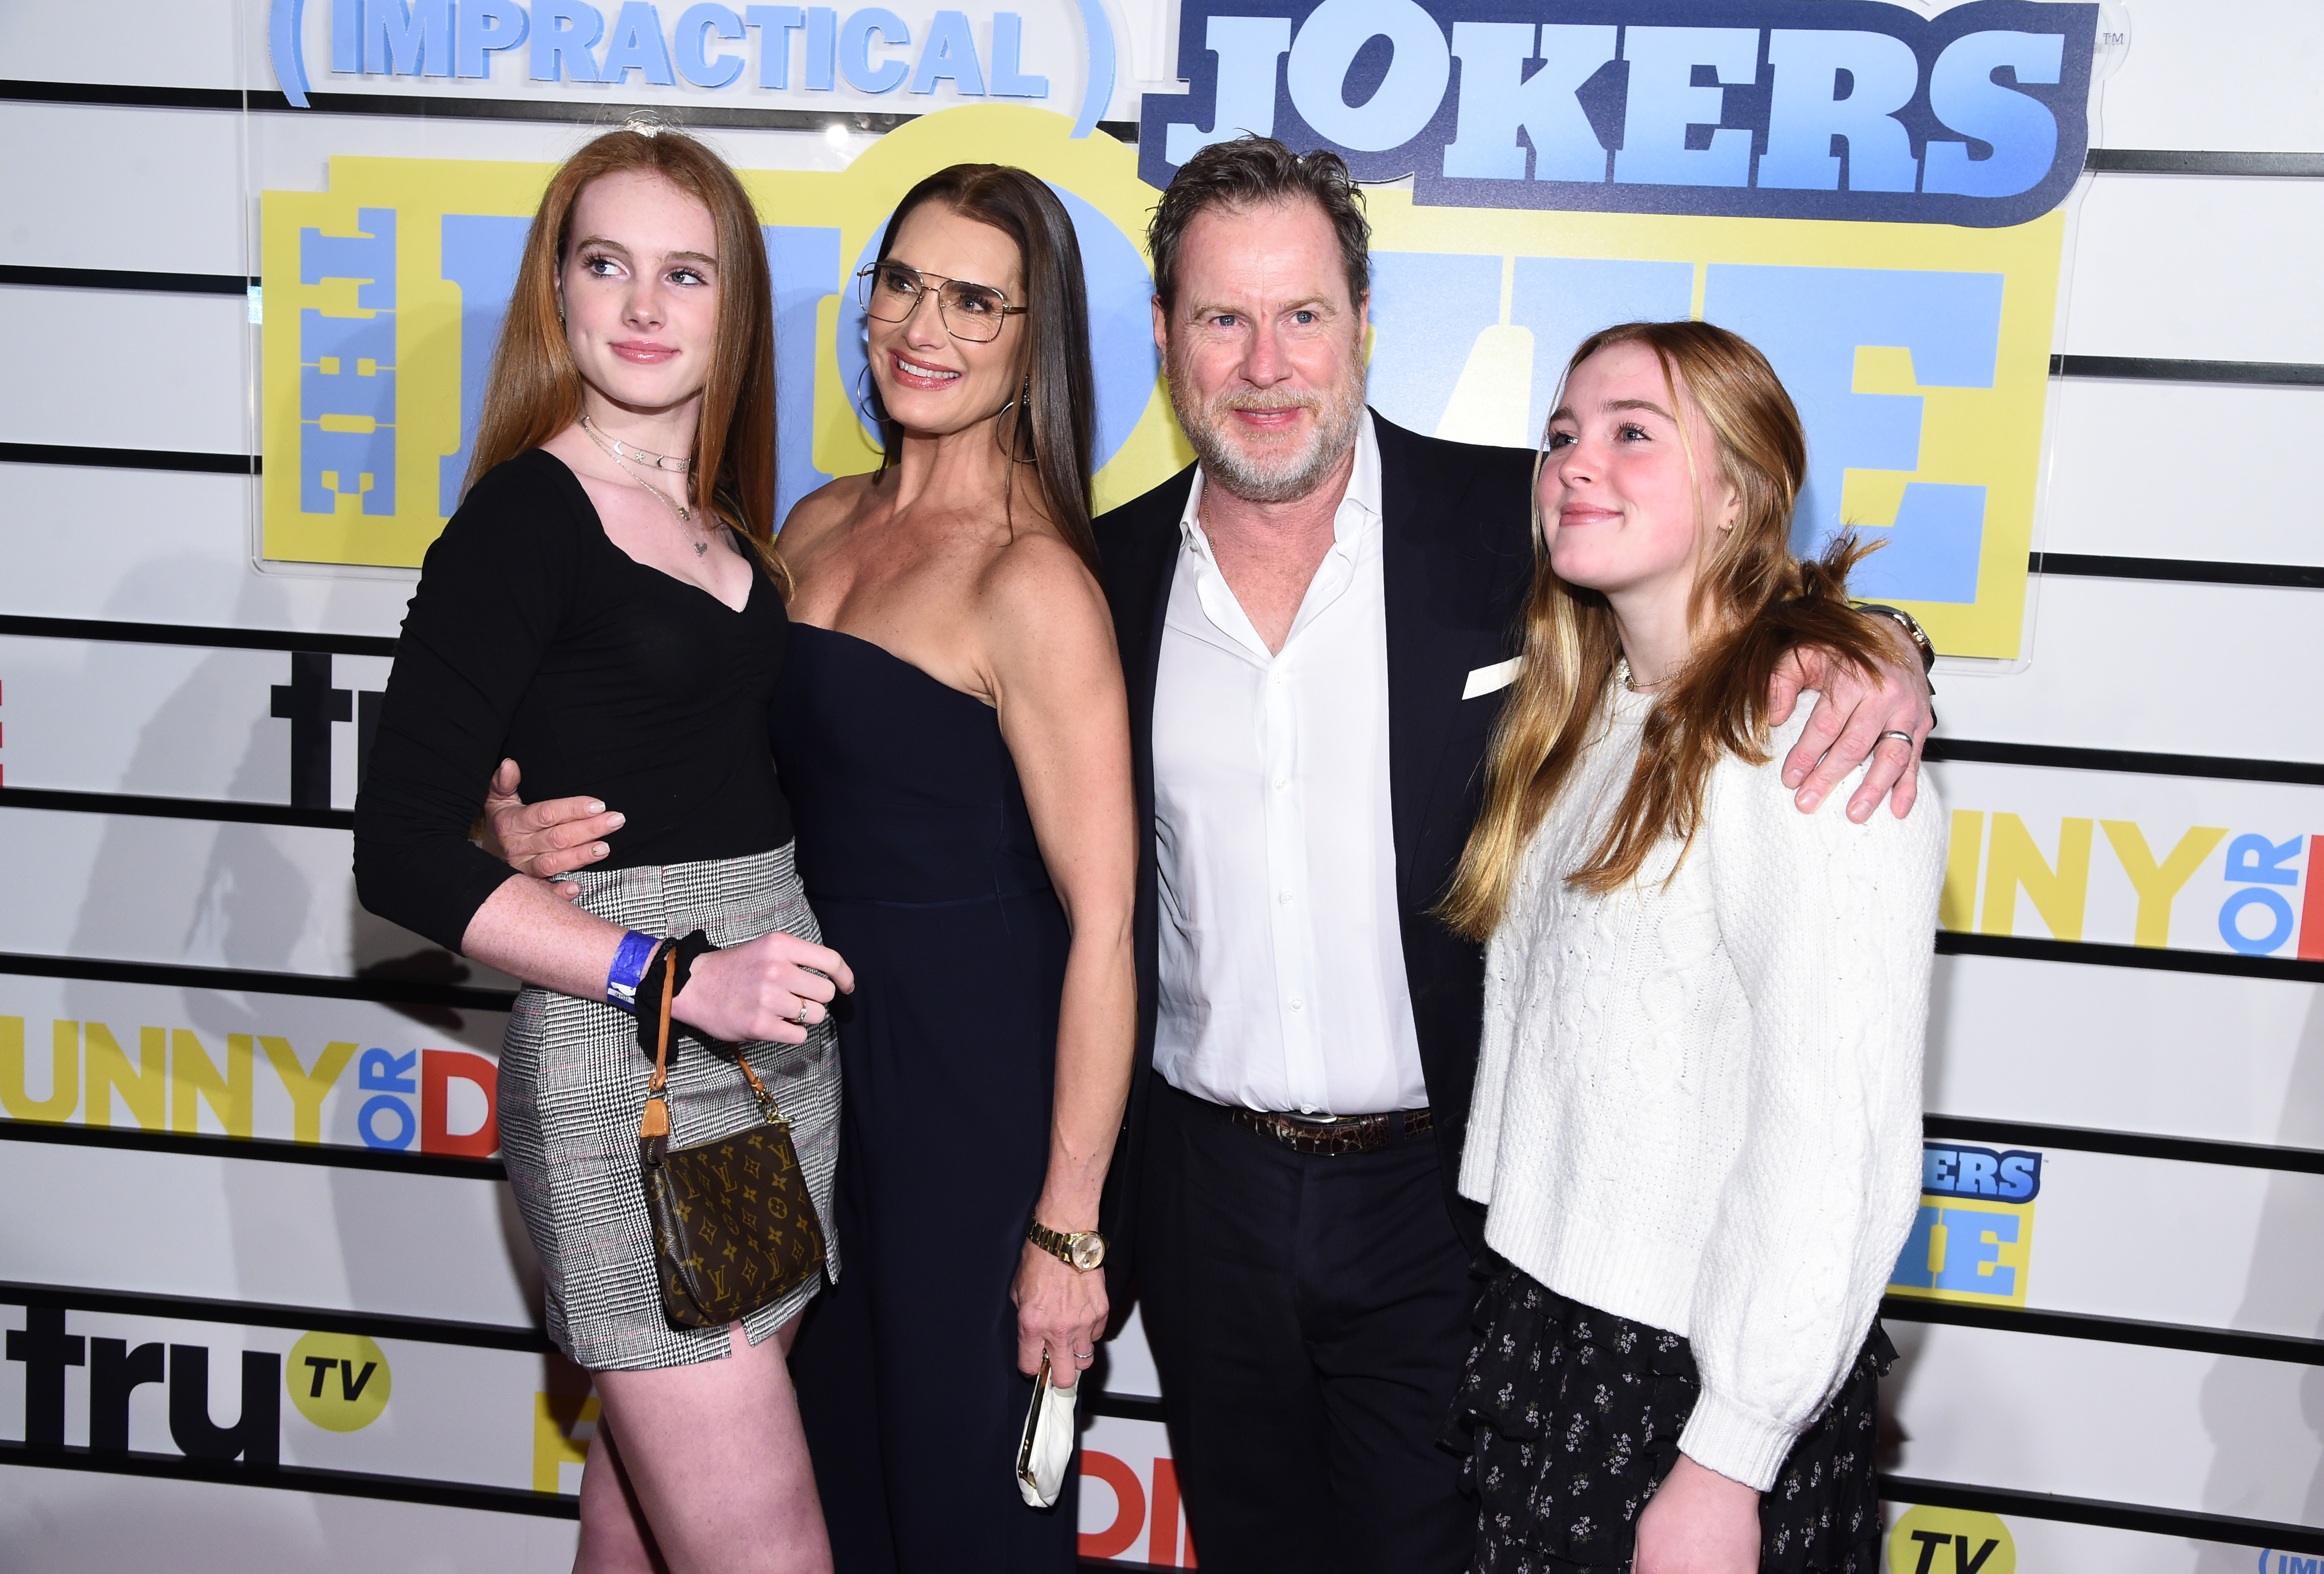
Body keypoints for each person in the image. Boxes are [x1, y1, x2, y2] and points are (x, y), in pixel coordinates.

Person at [1087, 137, 1941, 1574]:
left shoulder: (1520, 527)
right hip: (1204, 1198)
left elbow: (1732, 612)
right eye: (1219, 318)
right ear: (1167, 339)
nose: (1263, 361)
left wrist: (1875, 656)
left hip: (1442, 1218)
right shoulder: (1096, 578)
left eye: (1300, 314)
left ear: (1363, 325)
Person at [485, 164, 1137, 1574]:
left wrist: (1070, 1225)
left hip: (968, 1096)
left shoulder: (1035, 583)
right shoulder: (813, 522)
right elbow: (691, 771)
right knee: (788, 1476)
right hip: (773, 1062)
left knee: (956, 1504)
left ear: (1037, 339)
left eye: (976, 299)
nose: (925, 325)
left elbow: (1105, 932)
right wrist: (509, 830)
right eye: (902, 283)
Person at [352, 127, 849, 1574]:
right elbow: (396, 854)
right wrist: (678, 976)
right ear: (557, 294)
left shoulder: (729, 532)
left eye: (684, 272)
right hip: (628, 1068)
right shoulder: (523, 518)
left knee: (642, 1520)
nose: (642, 305)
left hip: (771, 1066)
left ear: (733, 304)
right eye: (605, 264)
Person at [1438, 320, 1945, 1574]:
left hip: (1676, 1381)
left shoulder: (1807, 758)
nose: (1574, 463)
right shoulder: (1580, 720)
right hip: (1539, 1334)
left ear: (1737, 495)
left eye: (1630, 435)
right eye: (1560, 436)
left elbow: (1838, 1138)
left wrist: (1729, 1454)